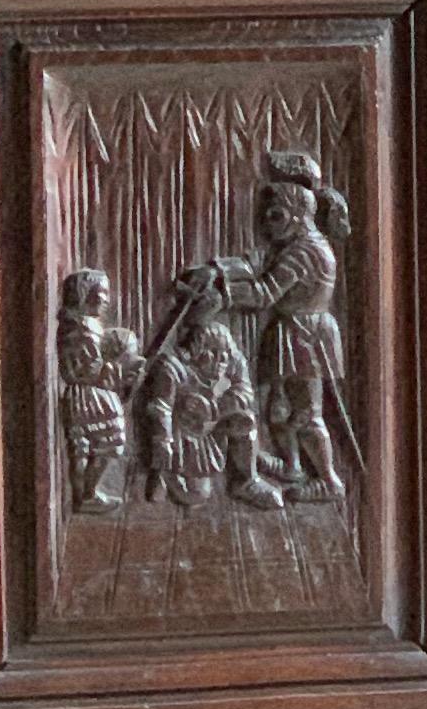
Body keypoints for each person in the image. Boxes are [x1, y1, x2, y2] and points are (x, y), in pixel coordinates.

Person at [242, 150, 350, 505]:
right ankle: (291, 465)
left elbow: (264, 293)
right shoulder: (296, 246)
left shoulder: (303, 252)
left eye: (273, 216)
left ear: (295, 215)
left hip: (306, 335)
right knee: (277, 406)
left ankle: (329, 480)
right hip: (292, 331)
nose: (266, 224)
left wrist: (224, 292)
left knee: (306, 413)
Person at [136, 264, 279, 511]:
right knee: (196, 495)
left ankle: (247, 478)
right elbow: (160, 408)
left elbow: (244, 392)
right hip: (183, 436)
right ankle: (165, 474)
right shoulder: (173, 366)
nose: (217, 361)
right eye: (209, 355)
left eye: (221, 356)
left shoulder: (229, 350)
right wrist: (163, 443)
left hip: (213, 425)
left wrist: (215, 408)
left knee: (244, 421)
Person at [53, 266, 141, 512]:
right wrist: (118, 368)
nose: (107, 299)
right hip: (91, 395)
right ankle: (86, 495)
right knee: (106, 442)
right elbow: (89, 370)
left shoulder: (85, 325)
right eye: (102, 292)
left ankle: (85, 494)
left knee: (86, 445)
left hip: (89, 393)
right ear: (84, 294)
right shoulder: (82, 329)